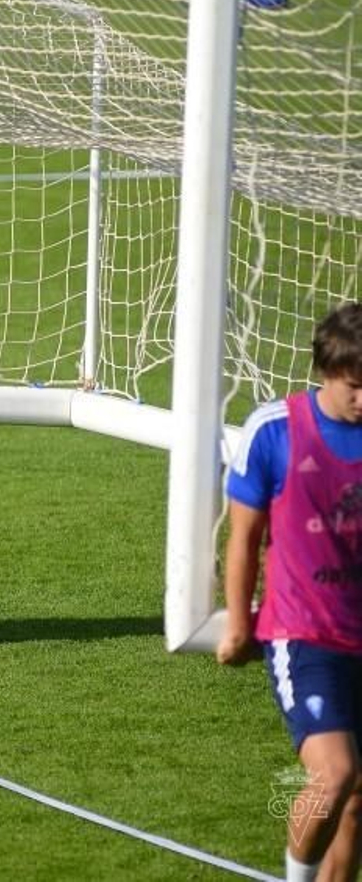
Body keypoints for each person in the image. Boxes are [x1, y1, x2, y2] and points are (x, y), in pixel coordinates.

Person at [219, 301, 362, 882]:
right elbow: (243, 539)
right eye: (356, 387)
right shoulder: (274, 431)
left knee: (355, 805)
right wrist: (236, 623)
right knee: (336, 772)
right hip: (304, 632)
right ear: (327, 371)